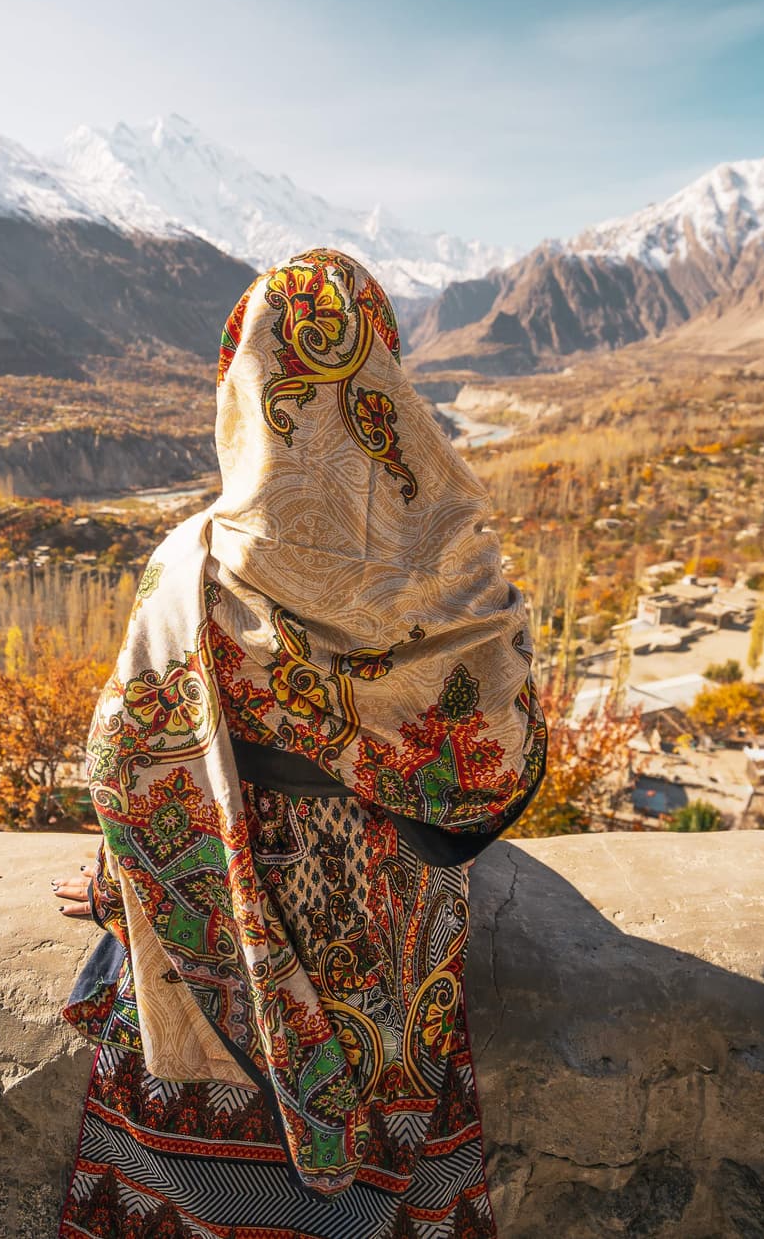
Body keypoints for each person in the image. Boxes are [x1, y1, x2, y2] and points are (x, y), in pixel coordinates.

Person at [51, 248, 545, 1239]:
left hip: (232, 919)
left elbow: (127, 765)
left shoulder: (192, 565)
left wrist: (123, 885)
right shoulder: (462, 567)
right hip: (397, 933)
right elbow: (499, 755)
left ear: (243, 378)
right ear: (385, 375)